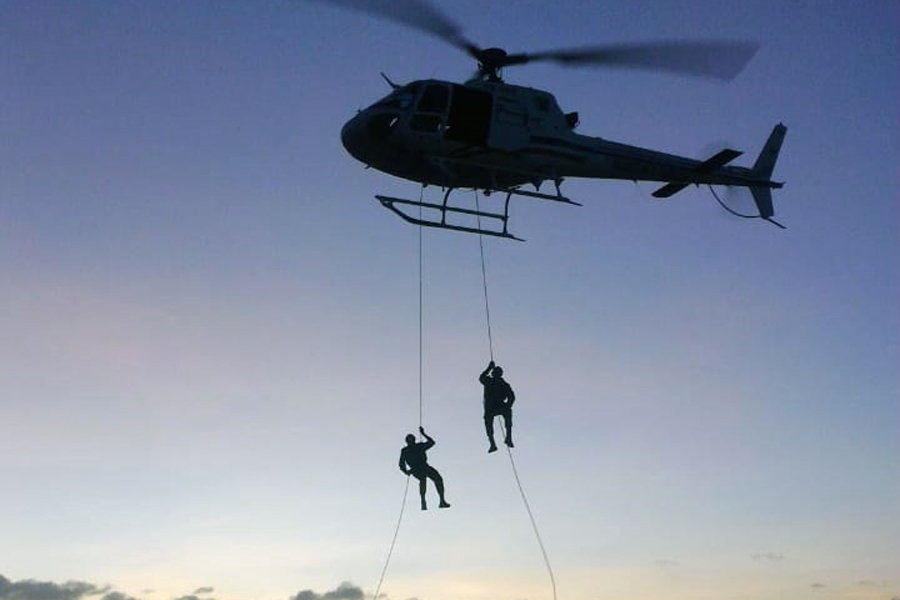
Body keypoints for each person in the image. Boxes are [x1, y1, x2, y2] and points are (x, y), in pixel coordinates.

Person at [398, 426, 450, 510]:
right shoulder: (405, 450)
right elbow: (401, 463)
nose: (411, 442)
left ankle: (442, 501)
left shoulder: (419, 446)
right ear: (407, 441)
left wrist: (423, 434)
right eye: (410, 440)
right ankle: (423, 501)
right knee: (423, 479)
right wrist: (406, 471)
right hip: (415, 469)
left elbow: (432, 442)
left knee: (438, 478)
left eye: (412, 440)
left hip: (424, 466)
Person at [479, 360, 516, 452]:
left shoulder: (504, 384)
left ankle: (508, 438)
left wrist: (508, 405)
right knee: (488, 422)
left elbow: (511, 396)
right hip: (490, 406)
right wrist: (489, 368)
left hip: (499, 405)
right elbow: (481, 378)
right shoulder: (489, 381)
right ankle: (493, 444)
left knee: (508, 413)